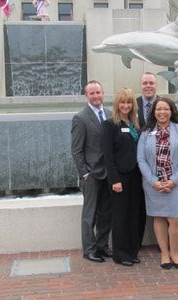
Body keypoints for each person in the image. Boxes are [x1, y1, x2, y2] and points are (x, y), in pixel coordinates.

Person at [137, 97, 178, 269]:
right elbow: (141, 159)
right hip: (154, 184)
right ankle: (164, 253)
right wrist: (153, 181)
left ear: (172, 111)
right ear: (153, 112)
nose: (162, 112)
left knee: (176, 219)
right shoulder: (146, 133)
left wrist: (174, 180)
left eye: (166, 109)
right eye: (158, 109)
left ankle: (174, 252)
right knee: (159, 216)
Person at [101, 87, 145, 267]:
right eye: (122, 102)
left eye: (129, 102)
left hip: (137, 176)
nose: (125, 105)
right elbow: (108, 155)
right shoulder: (110, 124)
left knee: (136, 215)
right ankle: (120, 254)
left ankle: (133, 251)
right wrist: (115, 180)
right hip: (120, 178)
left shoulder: (136, 123)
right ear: (117, 104)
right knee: (121, 216)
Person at [71, 80, 113, 263]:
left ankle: (103, 246)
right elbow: (76, 150)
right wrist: (85, 173)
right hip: (92, 175)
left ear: (103, 93)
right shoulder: (80, 118)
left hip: (109, 174)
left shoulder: (111, 115)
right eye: (92, 93)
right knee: (90, 215)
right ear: (86, 96)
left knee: (106, 213)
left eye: (98, 92)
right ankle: (89, 249)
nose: (96, 96)